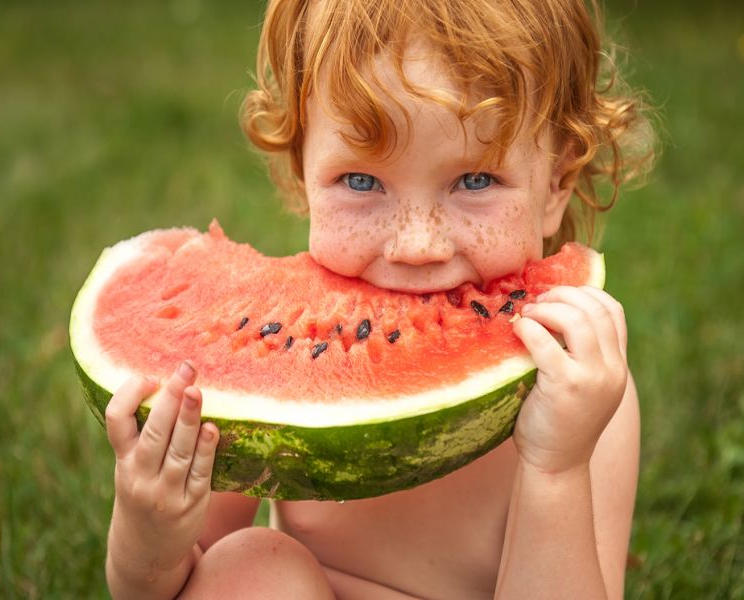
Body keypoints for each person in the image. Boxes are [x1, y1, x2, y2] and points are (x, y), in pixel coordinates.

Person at [103, 0, 655, 598]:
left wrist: (556, 469)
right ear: (302, 171)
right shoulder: (263, 373)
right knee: (250, 566)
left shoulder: (587, 398)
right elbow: (173, 587)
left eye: (475, 181)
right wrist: (149, 531)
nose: (417, 244)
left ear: (556, 185)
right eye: (361, 181)